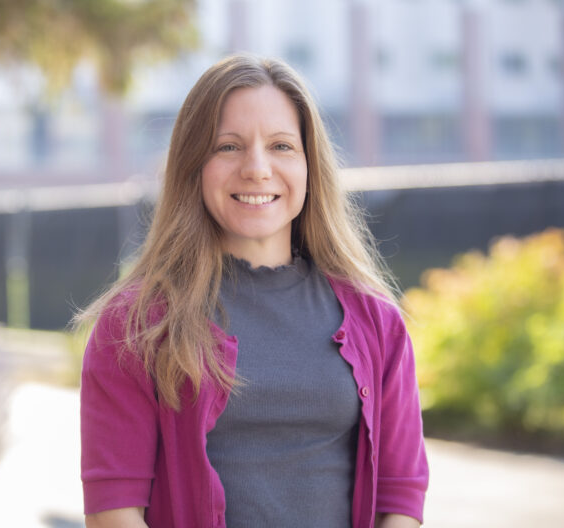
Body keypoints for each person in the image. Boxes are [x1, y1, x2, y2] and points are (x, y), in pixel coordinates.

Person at [78, 54, 428, 528]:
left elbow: (400, 499)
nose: (257, 168)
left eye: (282, 146)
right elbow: (113, 513)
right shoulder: (136, 325)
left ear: (310, 166)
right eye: (228, 147)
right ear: (192, 165)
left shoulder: (378, 324)